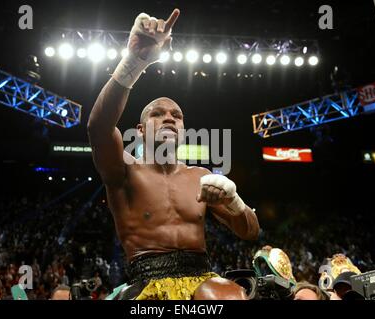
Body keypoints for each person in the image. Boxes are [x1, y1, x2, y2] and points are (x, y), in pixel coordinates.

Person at [88, 8, 259, 300]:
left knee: (226, 295)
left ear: (183, 129)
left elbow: (251, 233)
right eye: (158, 114)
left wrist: (234, 201)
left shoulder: (201, 177)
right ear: (140, 130)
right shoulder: (125, 171)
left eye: (176, 115)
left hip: (204, 283)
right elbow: (98, 127)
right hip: (147, 284)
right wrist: (134, 61)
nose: (169, 118)